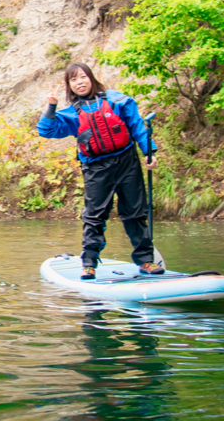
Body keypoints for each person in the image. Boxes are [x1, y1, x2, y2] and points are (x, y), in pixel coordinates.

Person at [37, 62, 161, 279]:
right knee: (94, 216)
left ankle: (146, 261)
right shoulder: (71, 114)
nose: (79, 82)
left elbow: (136, 125)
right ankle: (89, 264)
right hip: (96, 168)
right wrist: (52, 105)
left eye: (82, 77)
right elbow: (46, 130)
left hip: (127, 162)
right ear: (70, 86)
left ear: (91, 78)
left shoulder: (116, 100)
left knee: (135, 212)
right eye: (73, 80)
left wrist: (149, 151)